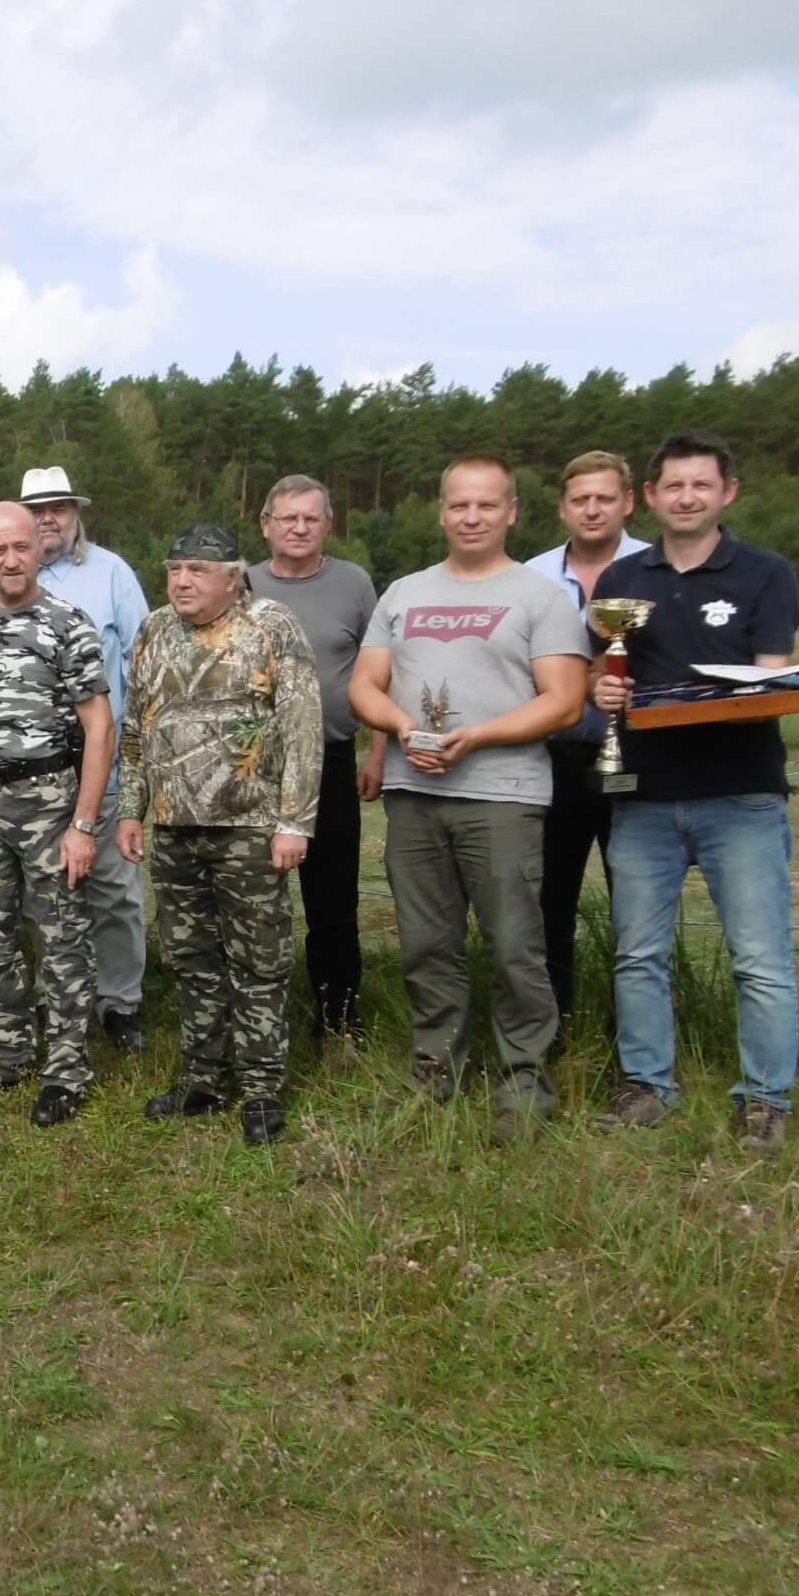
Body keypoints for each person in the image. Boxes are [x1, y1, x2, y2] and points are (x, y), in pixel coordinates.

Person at [349, 456, 586, 1132]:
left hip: (503, 796)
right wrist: (401, 726)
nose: (471, 517)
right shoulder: (404, 593)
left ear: (511, 511)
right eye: (459, 505)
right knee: (427, 943)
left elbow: (565, 701)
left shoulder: (539, 596)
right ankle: (436, 1070)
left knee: (515, 945)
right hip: (413, 793)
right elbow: (365, 684)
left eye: (486, 505)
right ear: (442, 512)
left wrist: (477, 737)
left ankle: (523, 1082)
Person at [591, 430, 799, 1153]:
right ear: (649, 497)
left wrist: (697, 702)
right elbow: (607, 672)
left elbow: (770, 681)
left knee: (759, 957)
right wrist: (607, 689)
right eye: (673, 486)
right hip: (645, 795)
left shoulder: (766, 573)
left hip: (740, 793)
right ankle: (647, 1084)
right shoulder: (624, 579)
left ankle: (765, 1098)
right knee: (637, 953)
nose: (686, 497)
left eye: (701, 486)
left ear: (727, 493)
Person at [118, 525, 322, 1143]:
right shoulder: (154, 629)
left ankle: (261, 1089)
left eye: (197, 571)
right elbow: (136, 726)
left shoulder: (271, 625)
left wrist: (295, 822)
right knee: (192, 960)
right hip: (176, 829)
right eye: (174, 569)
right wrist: (132, 810)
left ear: (232, 577)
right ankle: (204, 1078)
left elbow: (303, 728)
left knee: (257, 961)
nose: (182, 581)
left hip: (251, 827)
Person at [0, 501, 115, 1126]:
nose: (11, 559)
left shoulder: (68, 623)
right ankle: (2, 1058)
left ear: (39, 548)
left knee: (61, 937)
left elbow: (98, 725)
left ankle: (65, 1071)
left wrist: (84, 822)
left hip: (48, 802)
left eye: (21, 547)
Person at [0, 466, 151, 1048]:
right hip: (27, 776)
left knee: (112, 887)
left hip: (100, 762)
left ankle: (120, 1001)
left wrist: (136, 753)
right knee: (40, 895)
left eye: (59, 507)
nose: (49, 517)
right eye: (38, 509)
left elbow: (140, 662)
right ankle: (58, 998)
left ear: (76, 513)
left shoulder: (112, 574)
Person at [246, 475, 383, 1041]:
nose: (299, 527)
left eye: (311, 518)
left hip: (330, 762)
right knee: (253, 901)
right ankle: (257, 1020)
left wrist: (378, 749)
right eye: (287, 517)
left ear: (329, 524)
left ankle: (337, 1018)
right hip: (253, 767)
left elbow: (380, 671)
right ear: (266, 526)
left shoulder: (353, 583)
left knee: (332, 900)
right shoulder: (242, 585)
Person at [522, 452, 651, 1025]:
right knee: (550, 902)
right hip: (553, 758)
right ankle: (556, 1026)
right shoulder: (531, 576)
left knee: (640, 904)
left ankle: (638, 1035)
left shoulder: (658, 569)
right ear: (563, 507)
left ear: (629, 501)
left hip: (644, 757)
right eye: (581, 499)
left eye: (604, 498)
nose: (592, 509)